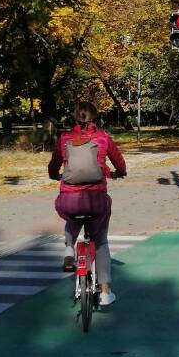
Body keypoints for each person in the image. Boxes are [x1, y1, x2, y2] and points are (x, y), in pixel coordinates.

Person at [47, 102, 126, 306]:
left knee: (71, 218)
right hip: (97, 200)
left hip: (69, 200)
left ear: (75, 117)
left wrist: (54, 175)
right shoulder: (103, 137)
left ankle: (69, 248)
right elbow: (118, 161)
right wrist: (119, 172)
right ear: (96, 117)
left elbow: (54, 164)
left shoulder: (64, 138)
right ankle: (105, 292)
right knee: (100, 241)